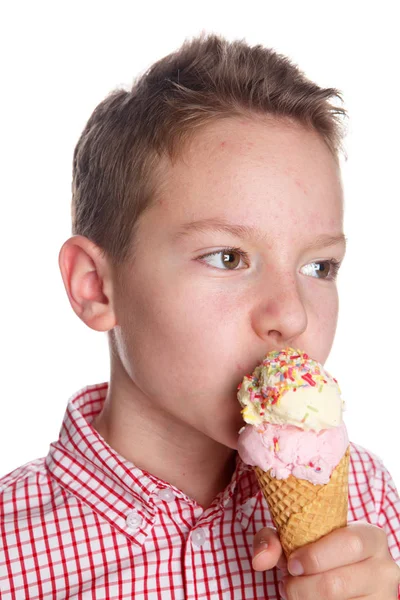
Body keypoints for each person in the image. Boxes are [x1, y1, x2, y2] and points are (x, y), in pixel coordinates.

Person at [0, 32, 399, 600]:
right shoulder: (12, 560)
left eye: (319, 267)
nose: (290, 315)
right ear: (96, 287)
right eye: (228, 257)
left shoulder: (368, 507)